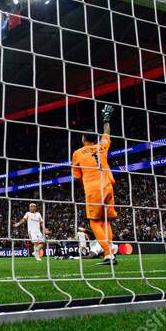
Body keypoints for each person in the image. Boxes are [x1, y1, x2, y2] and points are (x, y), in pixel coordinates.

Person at [71, 104, 118, 266]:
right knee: (106, 222)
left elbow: (77, 176)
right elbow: (106, 133)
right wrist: (106, 119)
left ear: (83, 139)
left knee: (94, 222)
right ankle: (110, 254)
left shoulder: (77, 153)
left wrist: (84, 182)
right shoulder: (102, 146)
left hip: (93, 189)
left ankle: (108, 255)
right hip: (108, 186)